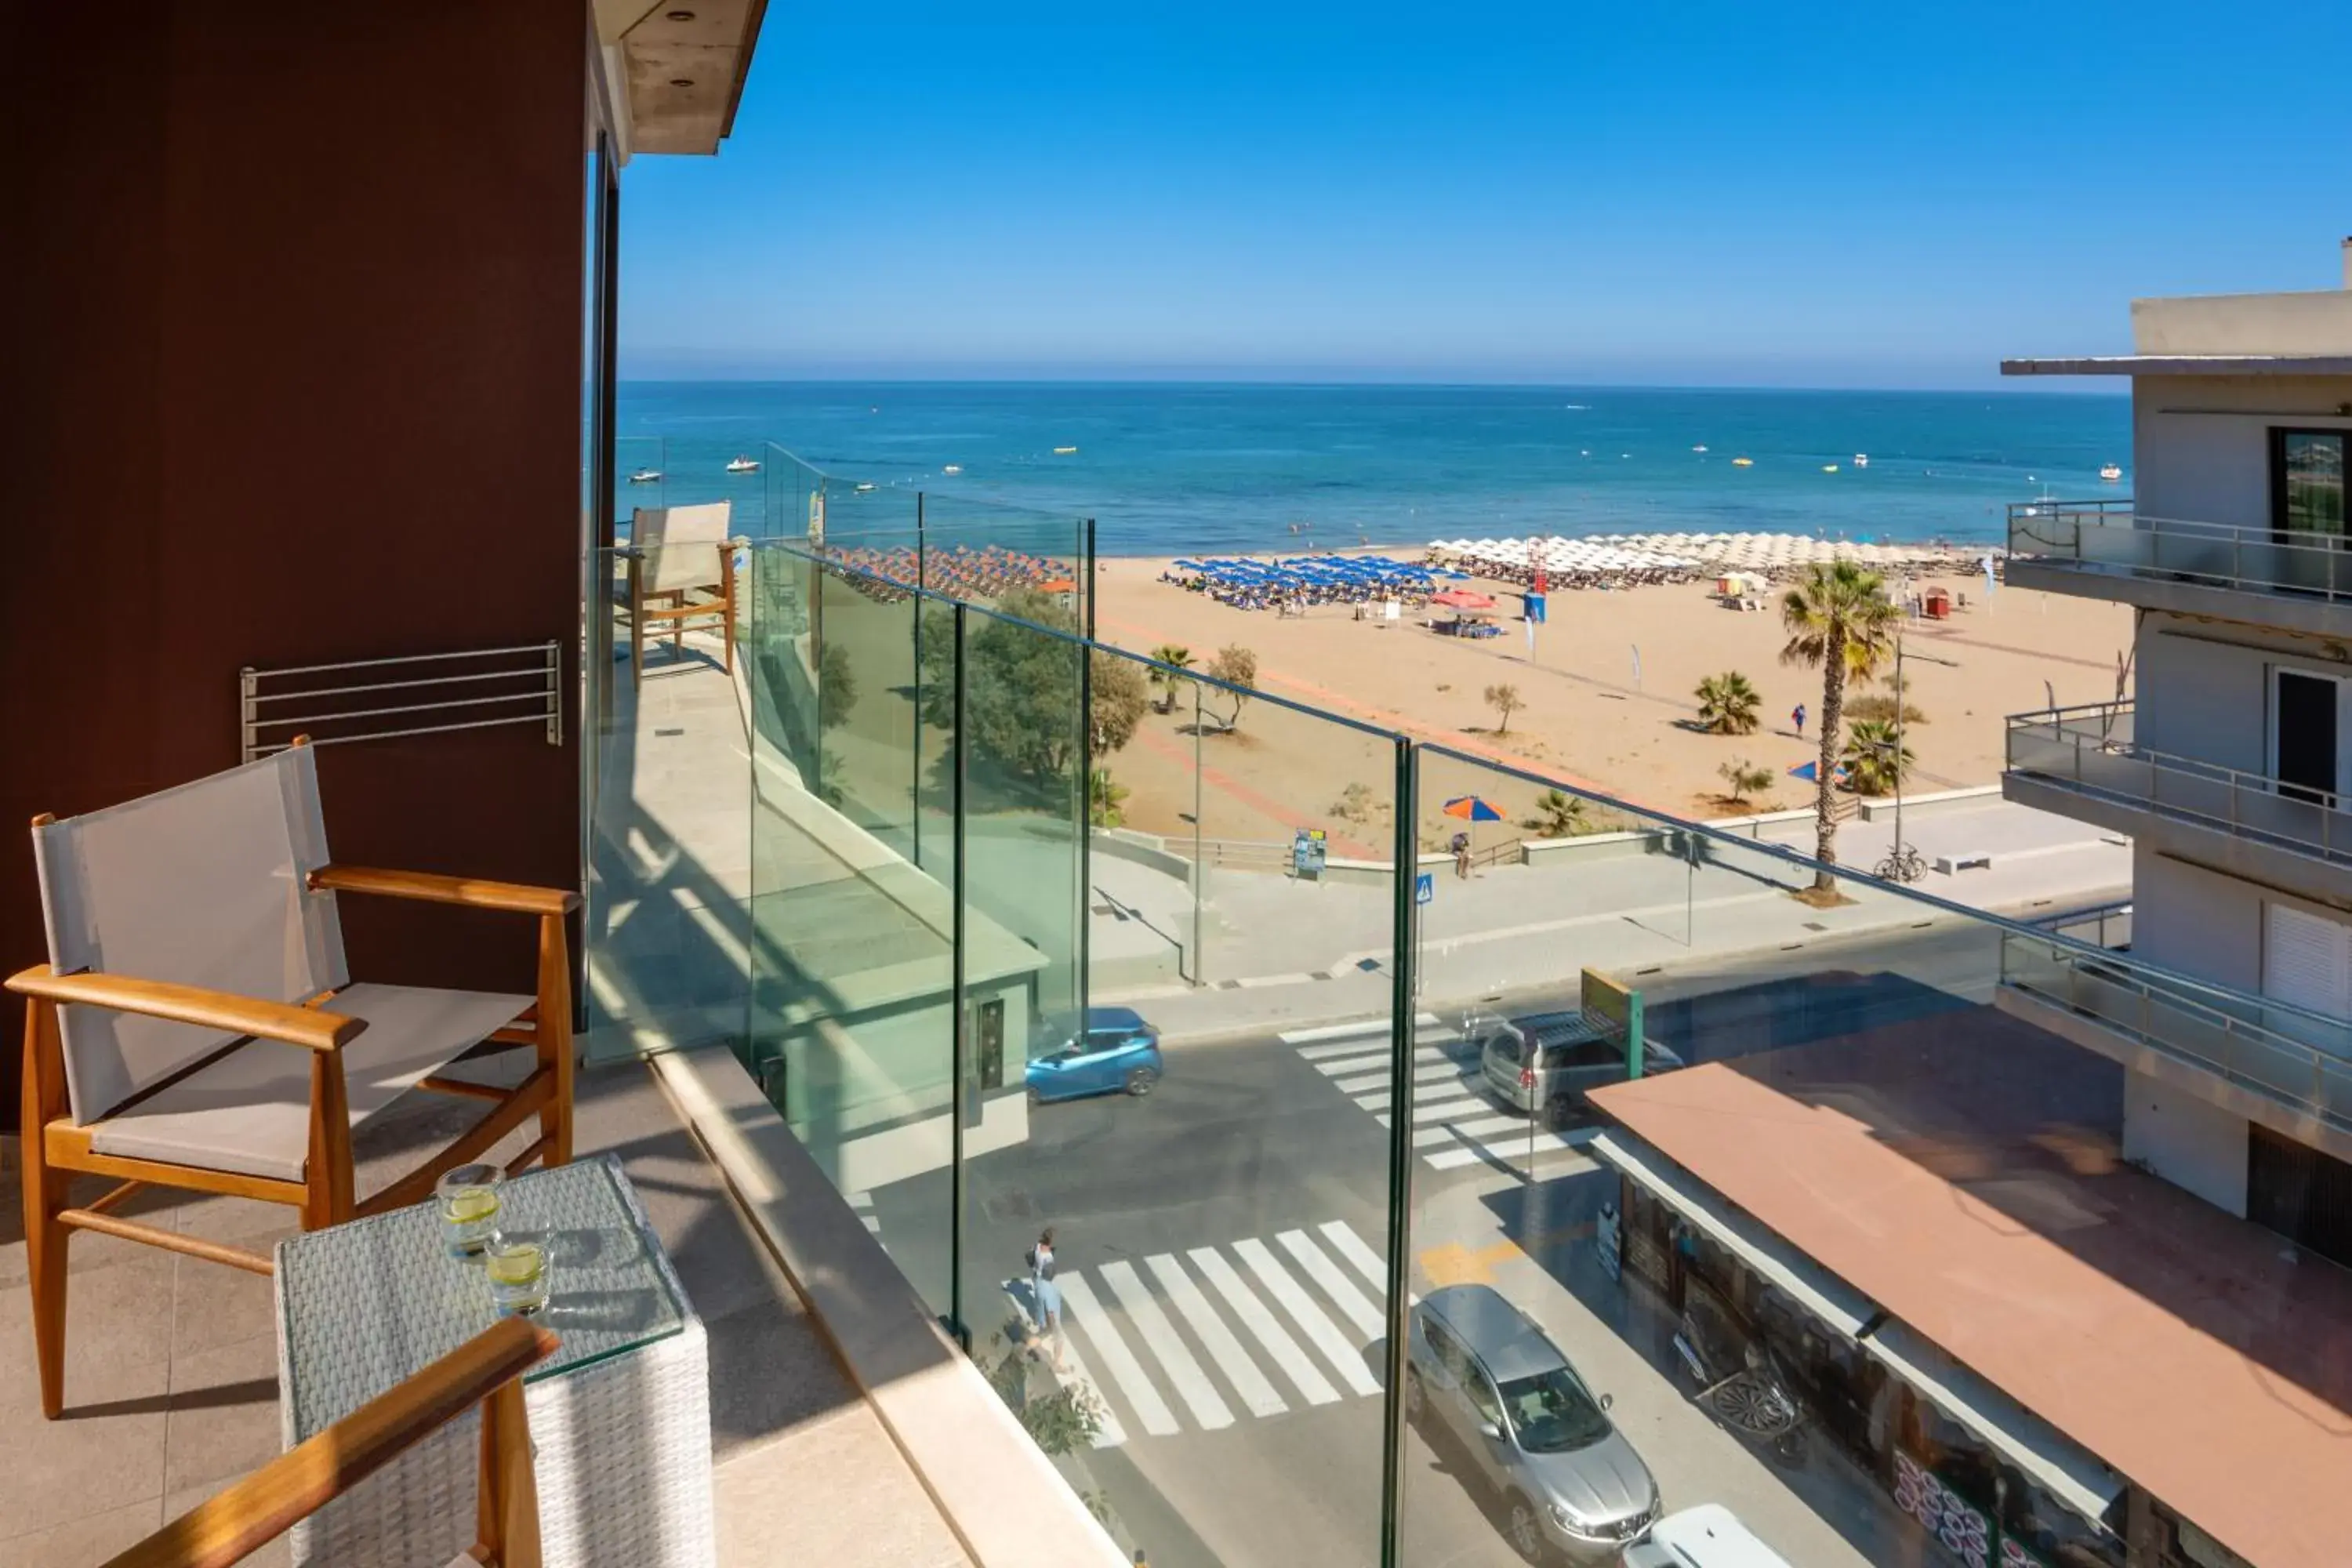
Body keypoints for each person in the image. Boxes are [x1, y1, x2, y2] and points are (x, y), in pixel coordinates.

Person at [1027, 1228, 1065, 1371]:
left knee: (1042, 1327)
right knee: (1058, 1336)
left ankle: (1024, 1349)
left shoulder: (1038, 1247)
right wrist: (1053, 1323)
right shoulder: (1048, 1259)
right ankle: (1056, 1364)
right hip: (1044, 1292)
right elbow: (1050, 1308)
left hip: (1036, 1281)